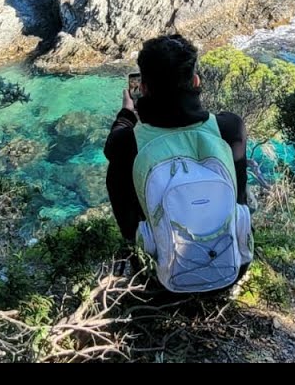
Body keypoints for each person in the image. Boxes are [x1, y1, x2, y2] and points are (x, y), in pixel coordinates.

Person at [103, 34, 252, 293]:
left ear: (144, 88)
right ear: (195, 81)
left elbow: (113, 143)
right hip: (232, 266)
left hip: (161, 278)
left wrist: (127, 113)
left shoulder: (128, 142)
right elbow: (240, 194)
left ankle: (135, 251)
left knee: (118, 169)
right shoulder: (229, 128)